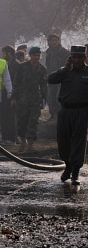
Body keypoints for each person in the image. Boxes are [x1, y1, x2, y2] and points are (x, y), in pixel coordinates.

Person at [47, 45, 88, 185]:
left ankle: (75, 171)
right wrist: (65, 69)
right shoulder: (65, 71)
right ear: (70, 58)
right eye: (74, 57)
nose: (76, 60)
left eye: (79, 57)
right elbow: (50, 79)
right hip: (65, 111)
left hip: (82, 111)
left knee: (79, 141)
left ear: (84, 58)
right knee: (63, 140)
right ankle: (67, 165)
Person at [13, 46, 47, 152]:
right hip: (22, 99)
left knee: (33, 122)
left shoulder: (42, 69)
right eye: (34, 55)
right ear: (30, 55)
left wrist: (44, 99)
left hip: (35, 100)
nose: (36, 57)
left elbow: (44, 85)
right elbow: (16, 82)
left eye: (38, 55)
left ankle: (30, 145)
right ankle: (23, 143)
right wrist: (14, 97)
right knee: (22, 121)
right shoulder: (22, 67)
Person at [45, 33, 70, 121]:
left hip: (62, 79)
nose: (55, 42)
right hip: (52, 79)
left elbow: (68, 66)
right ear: (49, 42)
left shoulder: (64, 52)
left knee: (59, 98)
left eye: (56, 40)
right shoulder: (48, 53)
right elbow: (47, 66)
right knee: (50, 97)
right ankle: (53, 115)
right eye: (53, 40)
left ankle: (60, 116)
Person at [0, 45, 20, 145]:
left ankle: (11, 138)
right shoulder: (7, 64)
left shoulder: (16, 65)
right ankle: (5, 137)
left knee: (11, 117)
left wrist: (14, 96)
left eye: (4, 53)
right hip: (6, 94)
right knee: (5, 116)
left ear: (9, 54)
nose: (3, 55)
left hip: (13, 95)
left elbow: (17, 82)